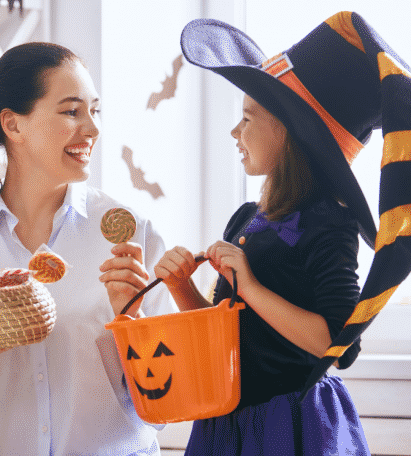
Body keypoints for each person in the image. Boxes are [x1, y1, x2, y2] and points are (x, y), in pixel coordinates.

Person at [0, 42, 176, 455]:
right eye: (71, 111)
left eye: (94, 111)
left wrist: (131, 321)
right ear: (12, 125)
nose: (93, 129)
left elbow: (166, 404)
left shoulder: (129, 239)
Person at [154, 11, 410, 454]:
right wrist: (182, 290)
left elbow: (338, 343)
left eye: (249, 119)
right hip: (227, 422)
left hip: (288, 426)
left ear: (291, 134)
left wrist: (249, 287)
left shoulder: (328, 221)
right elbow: (228, 335)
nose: (235, 132)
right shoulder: (245, 218)